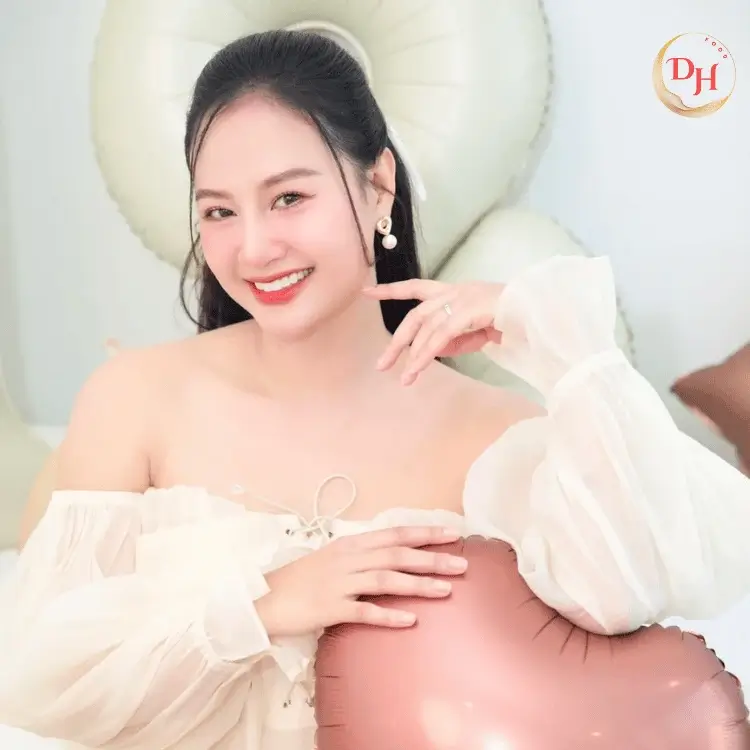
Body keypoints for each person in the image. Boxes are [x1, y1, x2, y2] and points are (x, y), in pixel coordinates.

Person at [1, 29, 749, 750]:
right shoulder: (135, 399)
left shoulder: (497, 435)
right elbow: (40, 677)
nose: (253, 248)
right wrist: (267, 604)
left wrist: (552, 338)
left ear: (379, 185)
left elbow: (634, 585)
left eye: (288, 198)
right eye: (219, 211)